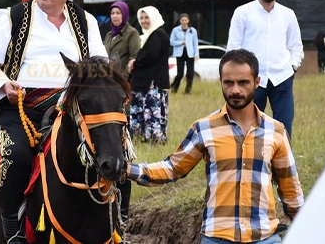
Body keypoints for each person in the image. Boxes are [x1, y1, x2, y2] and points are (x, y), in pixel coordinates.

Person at [0, 0, 107, 244]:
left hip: (69, 109)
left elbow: (100, 65)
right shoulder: (12, 16)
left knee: (110, 155)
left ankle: (115, 222)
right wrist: (3, 84)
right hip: (20, 107)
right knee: (17, 155)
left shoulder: (86, 22)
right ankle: (13, 232)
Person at [128, 49, 304, 244]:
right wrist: (128, 170)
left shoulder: (276, 131)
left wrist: (307, 227)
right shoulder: (204, 128)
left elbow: (291, 191)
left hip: (264, 237)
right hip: (218, 238)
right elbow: (173, 168)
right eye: (229, 82)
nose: (235, 90)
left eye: (243, 82)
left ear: (257, 82)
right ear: (221, 82)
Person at [227, 0, 303, 137]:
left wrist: (292, 67)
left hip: (282, 77)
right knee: (247, 127)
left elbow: (296, 46)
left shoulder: (288, 14)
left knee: (283, 128)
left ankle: (282, 163)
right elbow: (233, 48)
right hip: (251, 80)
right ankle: (248, 161)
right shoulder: (243, 12)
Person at [128, 6, 170, 144]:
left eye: (147, 17)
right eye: (141, 18)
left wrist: (135, 62)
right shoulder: (146, 37)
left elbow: (151, 56)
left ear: (154, 17)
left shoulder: (158, 35)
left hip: (153, 84)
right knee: (141, 113)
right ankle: (141, 139)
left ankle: (155, 140)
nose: (144, 21)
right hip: (142, 83)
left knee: (153, 114)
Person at [103, 1, 140, 80]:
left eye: (118, 13)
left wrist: (123, 77)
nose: (114, 16)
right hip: (108, 80)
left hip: (125, 81)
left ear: (124, 14)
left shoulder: (132, 33)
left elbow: (134, 58)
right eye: (112, 13)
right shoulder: (108, 35)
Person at [169, 13, 200, 94]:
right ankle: (174, 88)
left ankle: (188, 91)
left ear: (188, 20)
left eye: (185, 20)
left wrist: (196, 55)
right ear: (180, 21)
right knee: (180, 73)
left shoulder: (193, 31)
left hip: (190, 54)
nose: (184, 22)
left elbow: (195, 43)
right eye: (182, 20)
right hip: (180, 54)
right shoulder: (175, 30)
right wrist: (180, 42)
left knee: (190, 73)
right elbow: (171, 42)